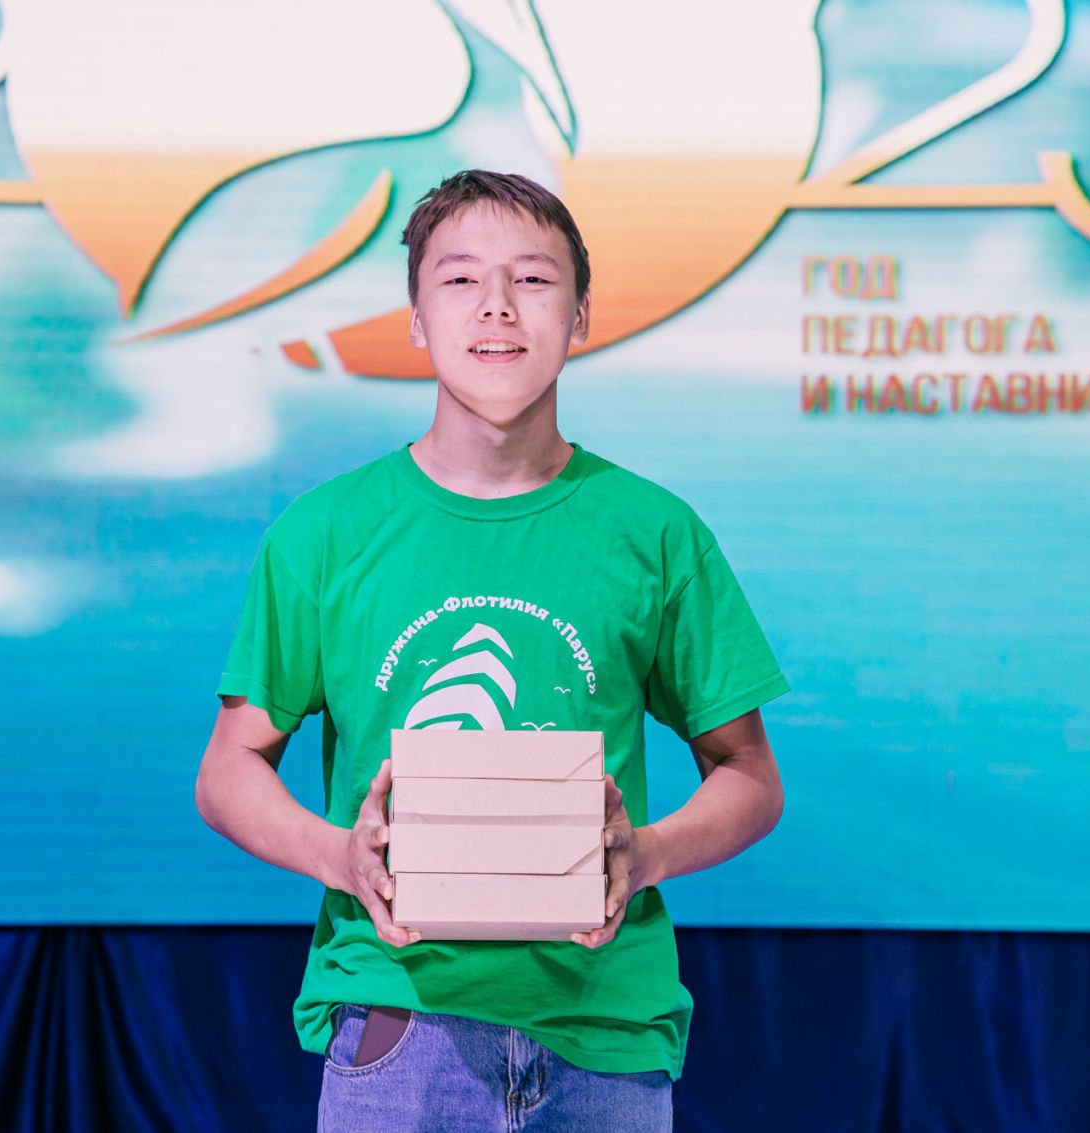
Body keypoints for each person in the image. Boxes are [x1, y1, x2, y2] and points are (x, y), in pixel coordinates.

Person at [195, 169, 789, 1131]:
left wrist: (644, 853)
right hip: (400, 1019)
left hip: (606, 1034)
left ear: (581, 316)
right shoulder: (324, 534)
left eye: (534, 279)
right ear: (417, 318)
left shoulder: (656, 532)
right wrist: (341, 855)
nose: (498, 306)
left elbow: (751, 775)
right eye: (462, 278)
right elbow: (228, 769)